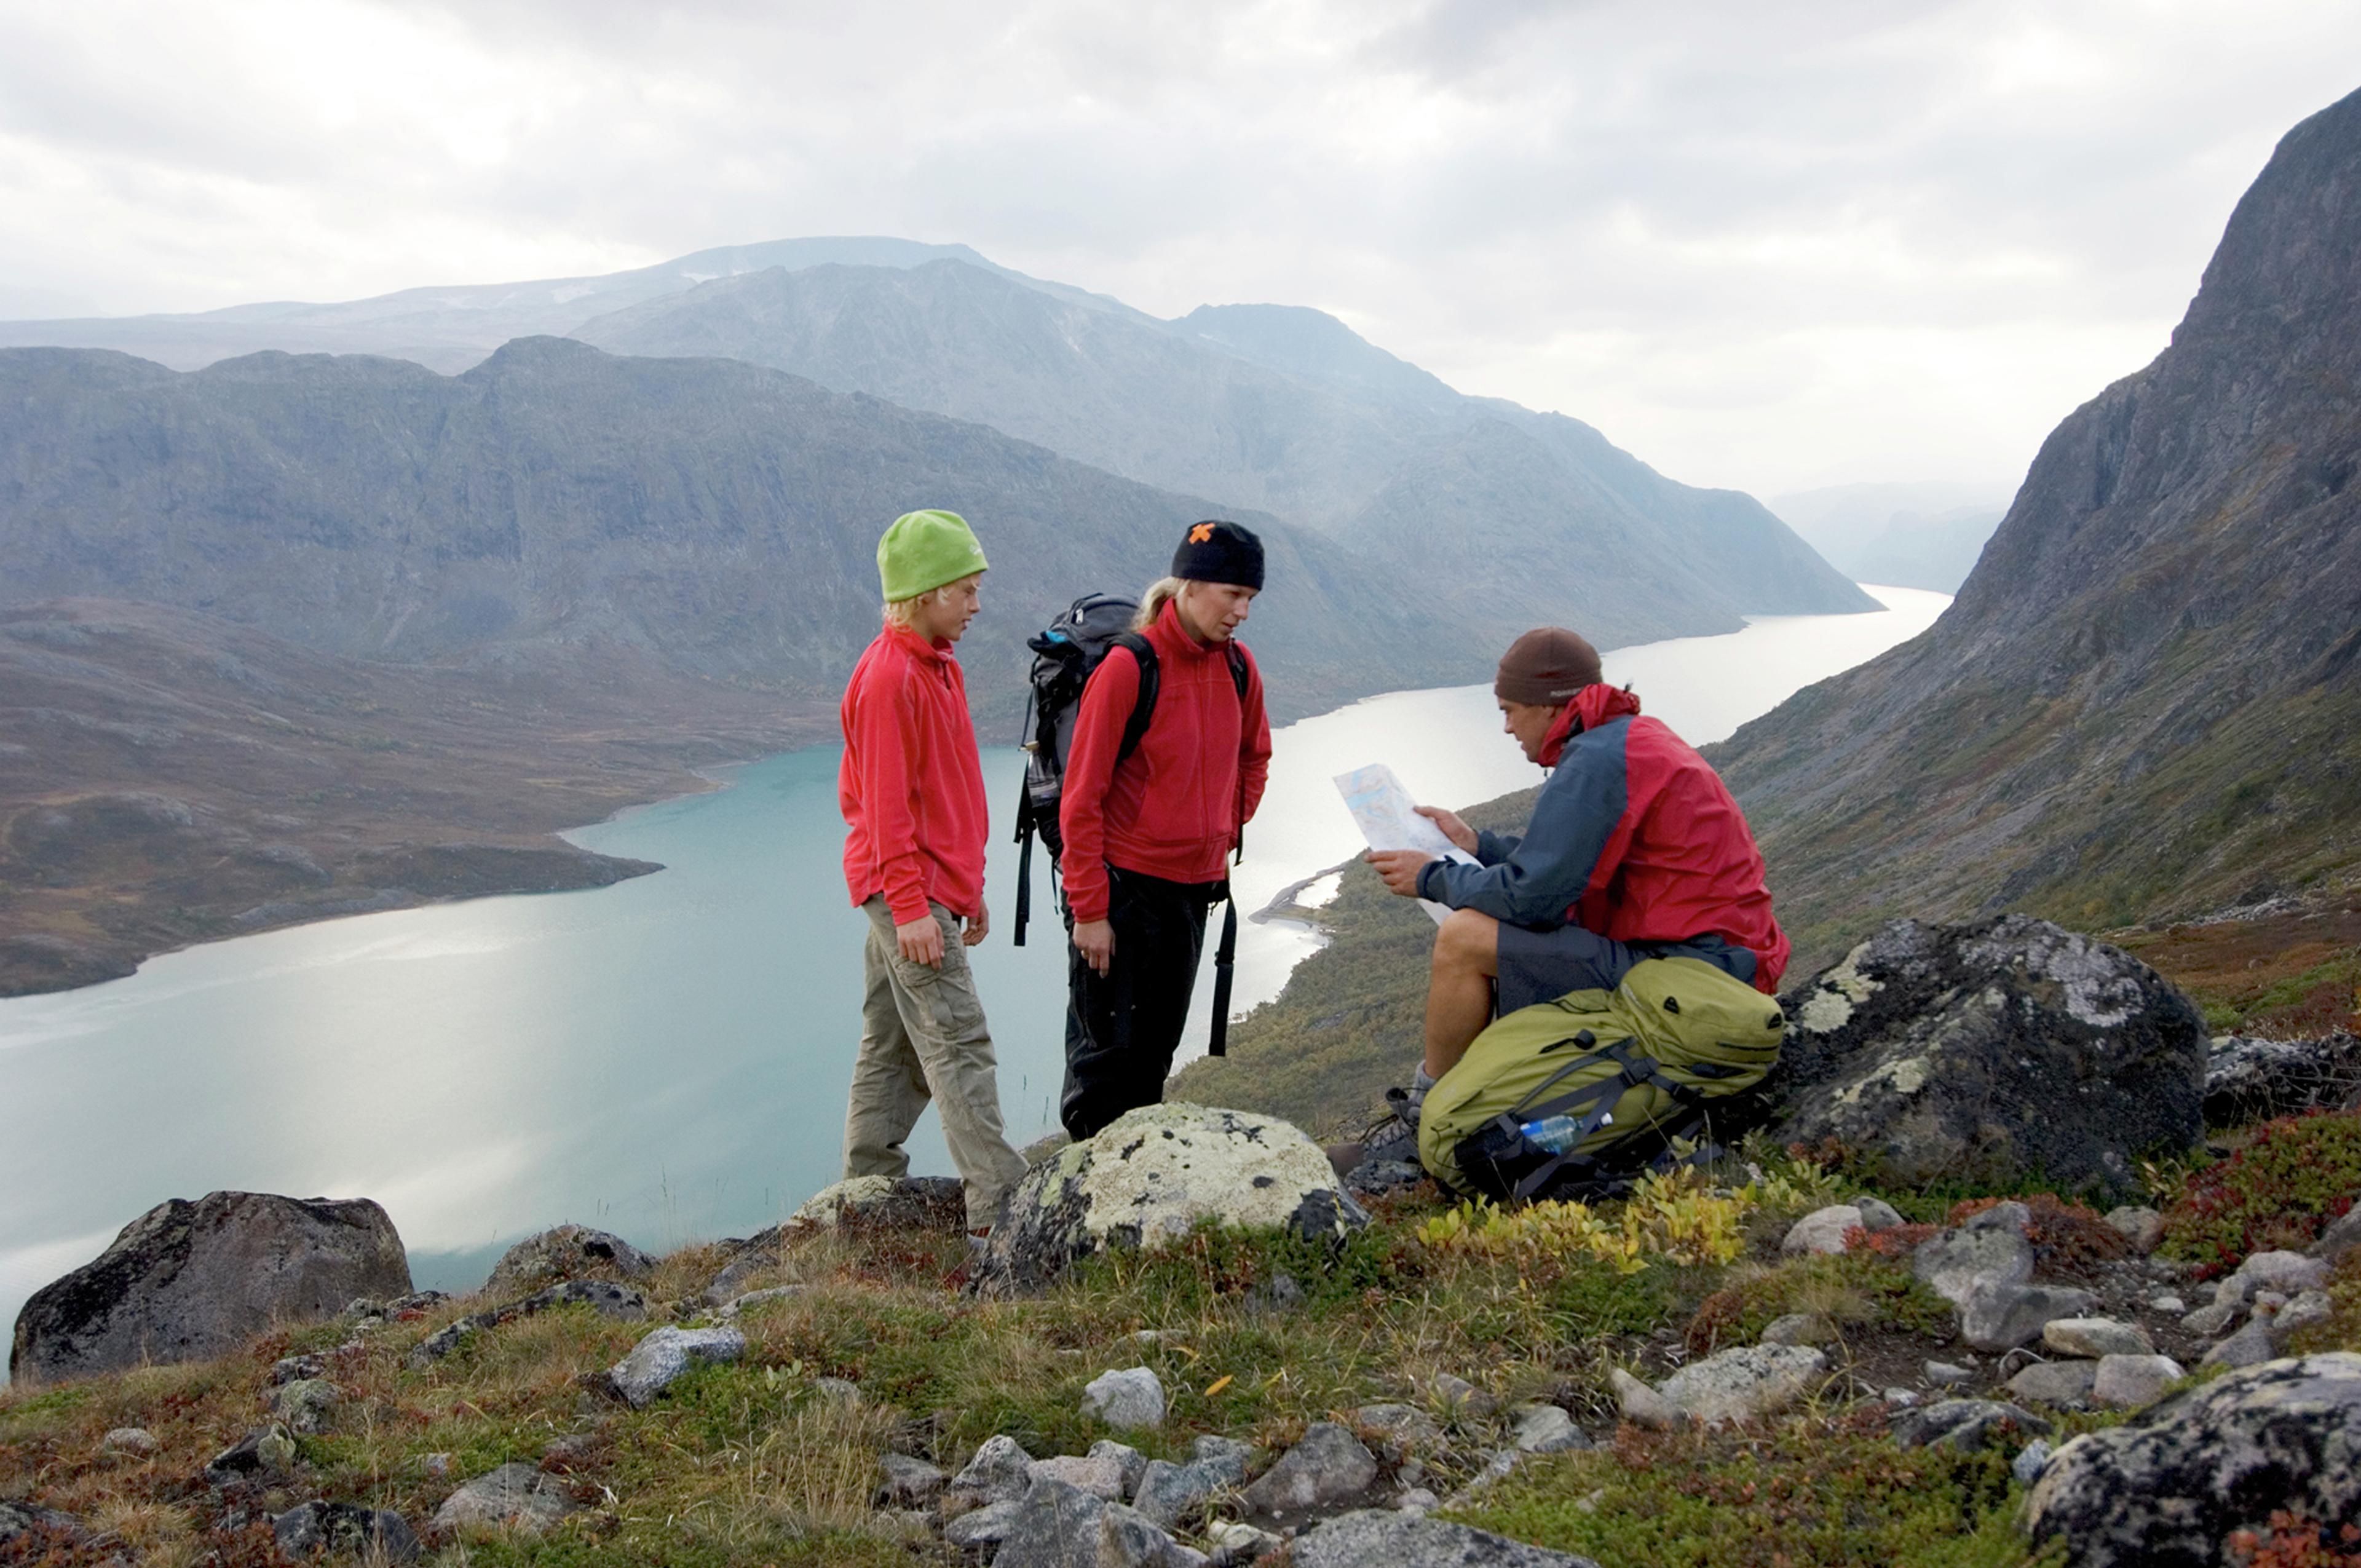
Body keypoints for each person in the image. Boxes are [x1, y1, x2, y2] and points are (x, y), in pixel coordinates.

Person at [1367, 626, 1789, 1126]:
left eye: (1508, 710)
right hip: (1718, 963)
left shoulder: (1596, 761)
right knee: (1511, 932)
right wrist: (1477, 845)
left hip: (1692, 977)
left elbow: (1534, 898)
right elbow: (1566, 869)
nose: (1506, 727)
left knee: (1464, 939)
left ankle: (1424, 1118)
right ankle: (1478, 1096)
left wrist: (1431, 877)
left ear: (1548, 706)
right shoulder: (1629, 740)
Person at [837, 508, 1027, 1245]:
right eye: (965, 591)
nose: (977, 605)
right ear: (923, 593)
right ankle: (999, 1209)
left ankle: (865, 1197)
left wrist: (967, 886)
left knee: (892, 1046)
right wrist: (915, 907)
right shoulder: (890, 679)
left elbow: (944, 791)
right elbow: (885, 810)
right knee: (958, 1042)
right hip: (905, 893)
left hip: (929, 889)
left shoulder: (937, 665)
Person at [1057, 520, 1273, 1139]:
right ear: (1190, 583)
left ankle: (1134, 1195)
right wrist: (1090, 911)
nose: (1243, 612)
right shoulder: (1131, 667)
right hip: (1125, 895)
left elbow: (1254, 754)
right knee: (1105, 1063)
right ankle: (1085, 1210)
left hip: (1192, 894)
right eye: (1233, 594)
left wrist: (1224, 827)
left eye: (1251, 598)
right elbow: (1082, 799)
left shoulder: (1239, 667)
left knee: (1152, 1057)